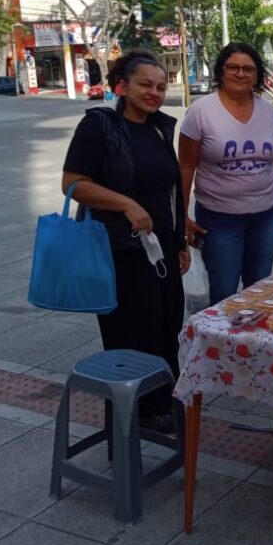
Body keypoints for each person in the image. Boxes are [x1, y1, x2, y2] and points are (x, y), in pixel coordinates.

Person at [61, 50, 187, 433]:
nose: (154, 93)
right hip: (119, 252)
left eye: (161, 87)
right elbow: (73, 184)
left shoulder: (158, 128)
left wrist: (180, 240)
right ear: (123, 85)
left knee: (167, 325)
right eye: (145, 84)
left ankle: (165, 401)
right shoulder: (100, 126)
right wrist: (126, 204)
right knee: (133, 332)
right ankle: (133, 414)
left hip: (161, 247)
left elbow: (172, 189)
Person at [179, 42, 273, 305]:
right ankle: (219, 345)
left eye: (248, 69)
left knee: (259, 290)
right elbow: (186, 166)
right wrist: (181, 215)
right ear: (221, 71)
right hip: (218, 219)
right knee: (223, 291)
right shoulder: (201, 112)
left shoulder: (268, 111)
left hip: (266, 215)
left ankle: (250, 345)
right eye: (233, 67)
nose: (240, 73)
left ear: (257, 75)